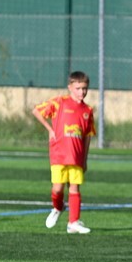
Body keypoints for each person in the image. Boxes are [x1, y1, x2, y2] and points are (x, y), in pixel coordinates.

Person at [32, 70, 95, 234]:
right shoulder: (60, 102)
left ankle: (73, 222)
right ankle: (58, 207)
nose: (82, 92)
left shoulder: (88, 110)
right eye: (78, 88)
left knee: (74, 188)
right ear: (70, 87)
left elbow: (88, 136)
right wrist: (50, 129)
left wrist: (85, 159)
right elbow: (36, 111)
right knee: (57, 189)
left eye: (85, 88)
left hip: (76, 156)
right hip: (59, 154)